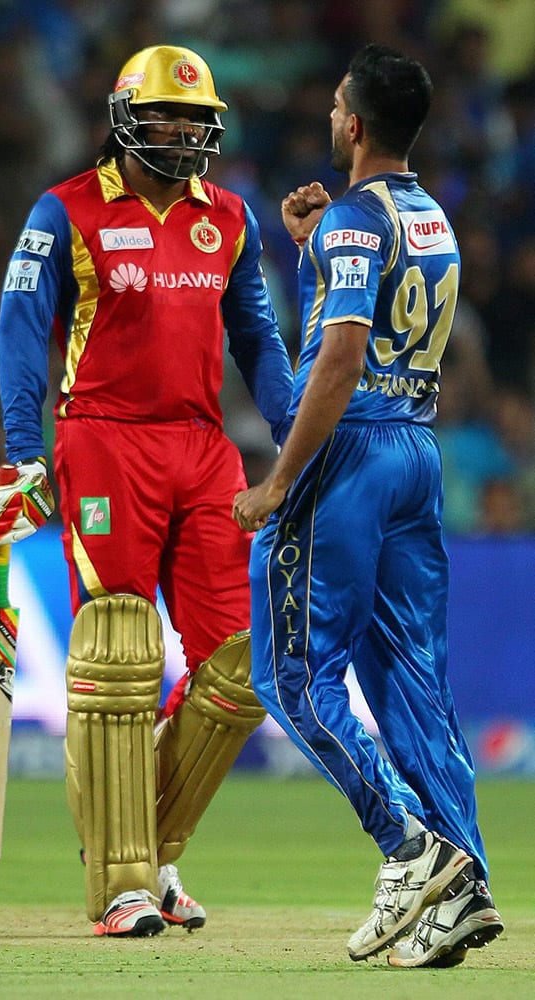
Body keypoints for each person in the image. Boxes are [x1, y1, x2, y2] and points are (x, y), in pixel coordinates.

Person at [0, 45, 293, 937]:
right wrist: (23, 456)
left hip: (202, 448)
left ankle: (153, 856)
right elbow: (19, 328)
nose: (185, 133)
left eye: (198, 121)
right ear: (125, 120)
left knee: (240, 659)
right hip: (103, 442)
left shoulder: (227, 216)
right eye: (166, 118)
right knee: (118, 656)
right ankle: (120, 885)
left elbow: (258, 340)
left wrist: (297, 442)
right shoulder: (65, 208)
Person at [232, 43, 504, 968]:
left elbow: (343, 357)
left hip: (347, 455)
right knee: (410, 681)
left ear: (351, 122)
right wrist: (316, 245)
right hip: (414, 453)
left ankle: (409, 850)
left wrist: (276, 482)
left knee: (293, 675)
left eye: (338, 103)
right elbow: (382, 314)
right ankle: (462, 889)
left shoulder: (354, 219)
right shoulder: (429, 215)